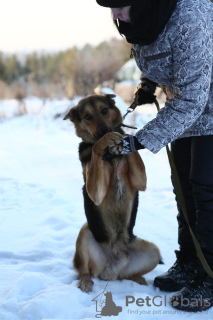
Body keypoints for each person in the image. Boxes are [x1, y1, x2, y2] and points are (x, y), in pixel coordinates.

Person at [96, 0, 213, 312]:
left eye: (120, 5)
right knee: (186, 192)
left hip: (204, 106)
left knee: (207, 191)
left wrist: (140, 141)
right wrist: (149, 83)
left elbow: (191, 99)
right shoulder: (146, 19)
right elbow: (162, 54)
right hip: (187, 108)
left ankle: (212, 275)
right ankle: (191, 262)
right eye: (110, 7)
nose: (115, 14)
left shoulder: (189, 18)